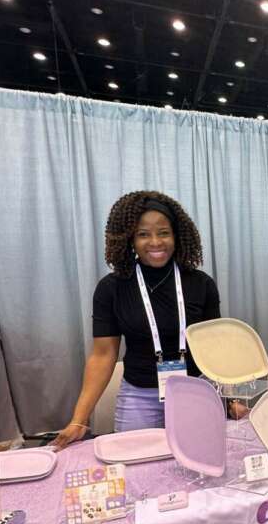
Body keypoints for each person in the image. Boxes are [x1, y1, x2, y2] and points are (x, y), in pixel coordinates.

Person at [52, 191, 220, 448]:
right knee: (134, 466)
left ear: (177, 236)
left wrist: (229, 397)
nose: (155, 242)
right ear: (129, 239)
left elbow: (215, 349)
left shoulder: (201, 284)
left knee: (199, 459)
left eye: (164, 233)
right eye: (143, 234)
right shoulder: (112, 288)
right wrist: (79, 419)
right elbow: (103, 355)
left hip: (195, 390)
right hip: (140, 396)